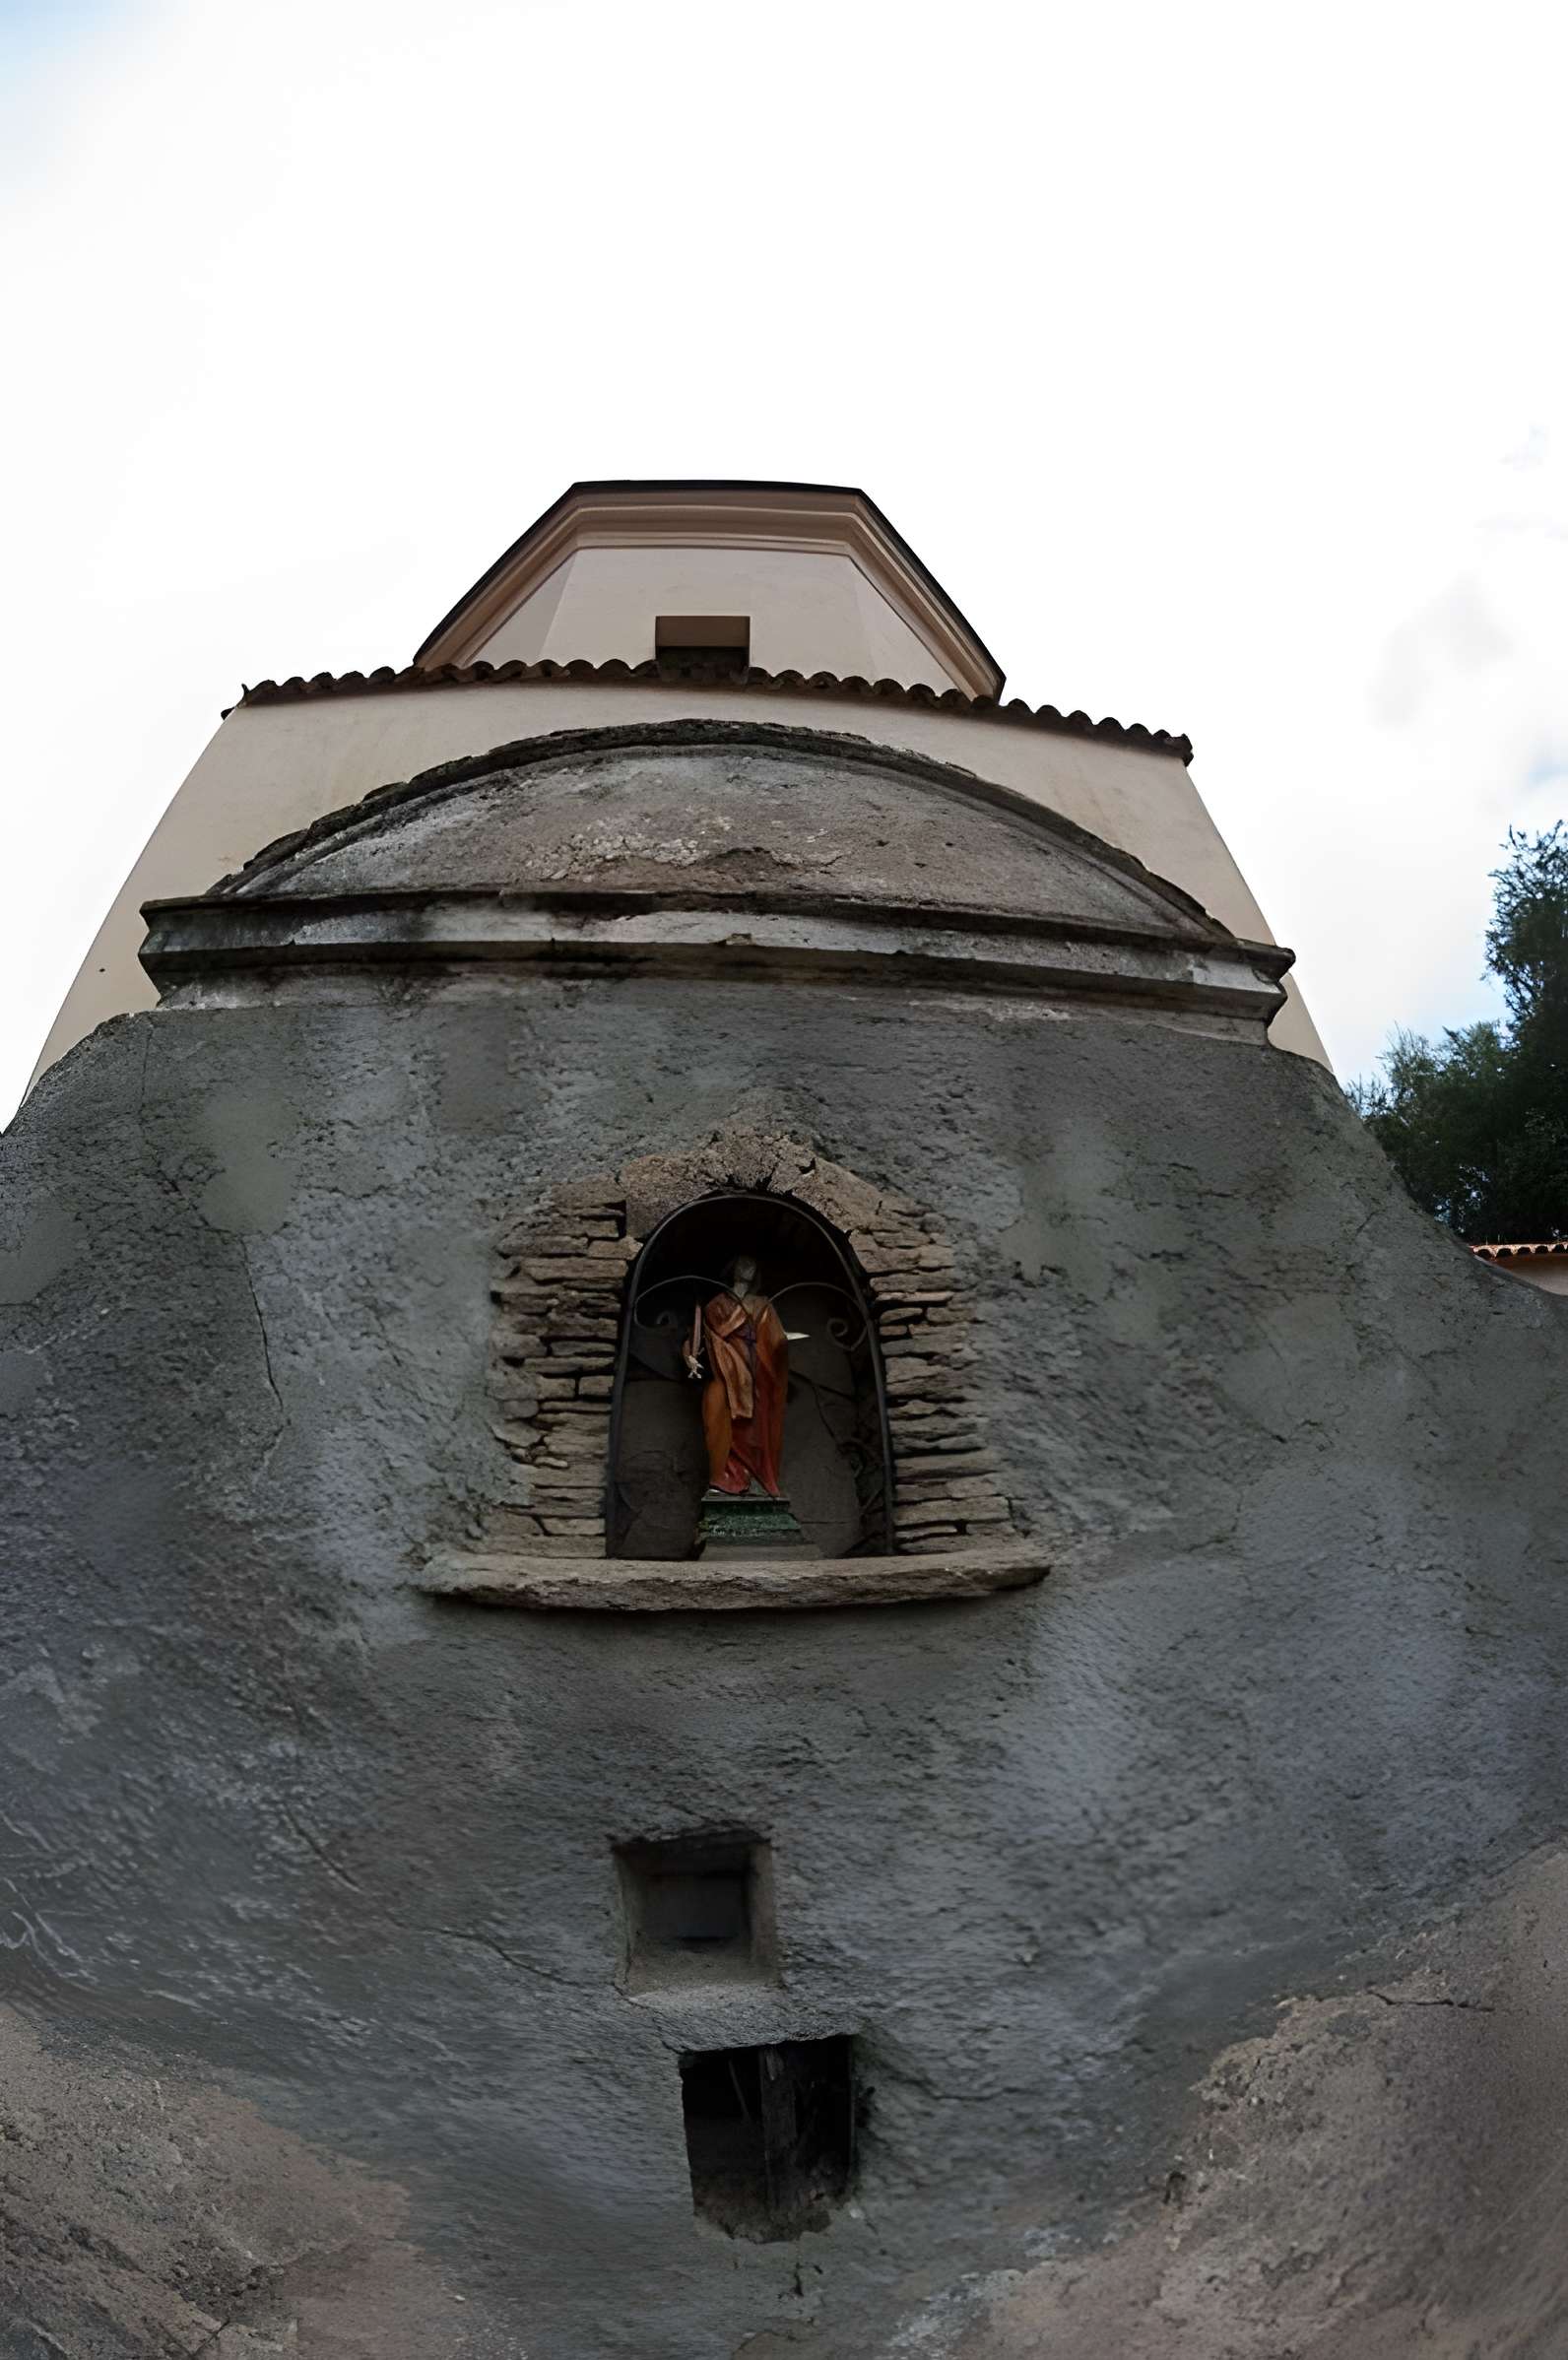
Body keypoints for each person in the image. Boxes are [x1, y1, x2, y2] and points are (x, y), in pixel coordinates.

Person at [684, 1254, 790, 1497]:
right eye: (743, 1263)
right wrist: (691, 1355)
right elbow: (704, 1338)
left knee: (754, 1430)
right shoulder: (717, 1304)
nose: (747, 1268)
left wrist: (780, 1344)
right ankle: (723, 1477)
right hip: (725, 1371)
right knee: (720, 1420)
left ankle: (750, 1478)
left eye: (752, 1264)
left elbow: (775, 1339)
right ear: (732, 1269)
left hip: (756, 1372)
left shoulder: (762, 1304)